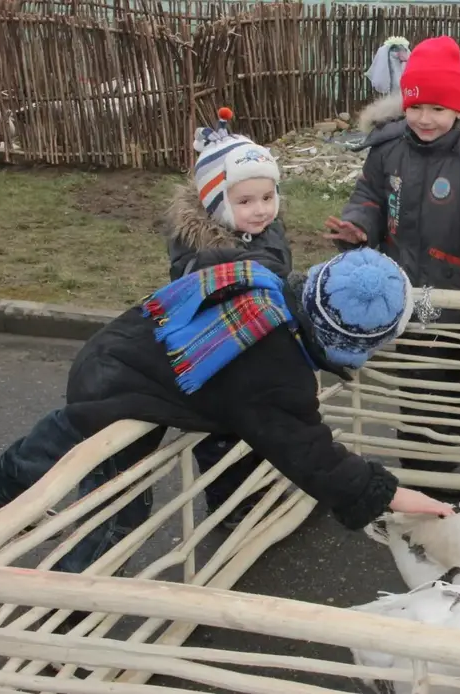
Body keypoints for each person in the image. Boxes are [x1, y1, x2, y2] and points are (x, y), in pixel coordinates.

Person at [0, 249, 455, 577]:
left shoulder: (265, 285)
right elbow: (313, 456)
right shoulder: (275, 370)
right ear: (350, 347)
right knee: (118, 509)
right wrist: (390, 494)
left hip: (115, 352)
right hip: (128, 392)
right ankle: (56, 605)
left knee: (59, 436)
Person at [324, 35, 460, 478]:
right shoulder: (388, 150)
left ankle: (450, 470)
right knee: (413, 385)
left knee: (456, 385)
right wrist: (358, 227)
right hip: (404, 292)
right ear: (403, 105)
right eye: (415, 107)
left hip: (457, 294)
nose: (425, 118)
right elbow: (369, 196)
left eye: (437, 109)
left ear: (458, 109)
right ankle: (418, 475)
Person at [162, 106, 294, 530]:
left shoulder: (268, 233)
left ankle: (262, 490)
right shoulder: (192, 243)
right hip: (214, 354)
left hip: (258, 345)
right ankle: (229, 507)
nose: (261, 210)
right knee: (220, 433)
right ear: (217, 204)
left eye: (268, 197)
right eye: (245, 201)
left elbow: (274, 267)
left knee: (265, 423)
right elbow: (189, 279)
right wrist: (226, 264)